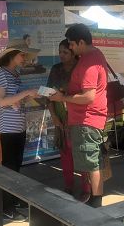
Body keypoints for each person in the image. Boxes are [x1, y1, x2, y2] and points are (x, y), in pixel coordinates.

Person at [49, 24, 108, 208]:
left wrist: (63, 97)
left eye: (72, 44)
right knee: (90, 162)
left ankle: (96, 203)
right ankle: (93, 198)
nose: (71, 48)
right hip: (88, 119)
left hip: (86, 120)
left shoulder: (89, 63)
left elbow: (89, 96)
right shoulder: (93, 55)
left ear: (81, 42)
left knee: (91, 164)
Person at [0, 41, 38, 222]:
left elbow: (13, 99)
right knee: (9, 167)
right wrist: (25, 93)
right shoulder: (0, 74)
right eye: (22, 55)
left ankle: (14, 199)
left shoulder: (14, 74)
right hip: (8, 128)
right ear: (12, 55)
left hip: (19, 125)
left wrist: (25, 98)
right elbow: (2, 101)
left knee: (16, 165)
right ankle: (6, 207)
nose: (24, 58)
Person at [46, 39, 91, 201]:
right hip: (61, 118)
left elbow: (86, 95)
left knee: (82, 153)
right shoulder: (56, 69)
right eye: (60, 52)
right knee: (65, 154)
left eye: (65, 52)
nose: (62, 55)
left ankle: (87, 188)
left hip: (79, 117)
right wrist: (54, 117)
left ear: (73, 52)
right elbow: (48, 96)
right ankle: (69, 185)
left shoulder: (81, 68)